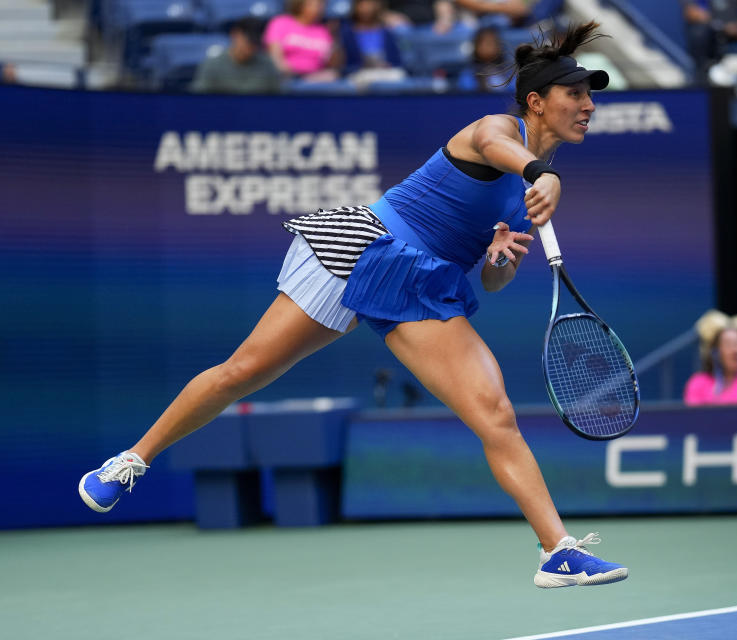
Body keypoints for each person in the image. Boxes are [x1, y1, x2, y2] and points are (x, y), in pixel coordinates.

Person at [78, 22, 628, 589]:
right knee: (243, 372)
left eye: (592, 96)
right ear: (536, 103)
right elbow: (500, 149)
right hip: (364, 249)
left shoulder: (529, 191)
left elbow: (493, 282)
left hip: (421, 285)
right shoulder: (496, 130)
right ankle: (130, 461)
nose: (589, 106)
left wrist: (498, 257)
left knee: (495, 413)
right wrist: (545, 173)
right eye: (577, 94)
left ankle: (556, 551)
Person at [190, 18, 283, 94]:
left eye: (255, 42)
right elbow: (199, 100)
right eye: (248, 40)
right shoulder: (213, 65)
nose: (251, 46)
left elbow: (278, 101)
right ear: (234, 34)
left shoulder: (267, 66)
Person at [680, 0, 737, 81]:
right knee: (698, 33)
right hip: (710, 32)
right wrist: (723, 26)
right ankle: (702, 77)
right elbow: (692, 12)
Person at [264, 0, 341, 81]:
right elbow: (275, 57)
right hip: (286, 76)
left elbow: (332, 64)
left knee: (332, 76)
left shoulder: (323, 31)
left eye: (321, 5)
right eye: (313, 4)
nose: (318, 8)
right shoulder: (280, 23)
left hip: (314, 77)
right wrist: (289, 72)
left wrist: (335, 39)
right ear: (300, 4)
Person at [339, 0, 407, 85]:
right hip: (359, 75)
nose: (366, 9)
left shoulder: (387, 32)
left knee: (399, 75)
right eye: (362, 5)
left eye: (369, 4)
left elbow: (396, 62)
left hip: (385, 74)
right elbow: (345, 65)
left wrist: (386, 66)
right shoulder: (347, 34)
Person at [458, 26, 513, 92]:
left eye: (490, 43)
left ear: (499, 46)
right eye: (482, 43)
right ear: (475, 46)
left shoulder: (510, 73)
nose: (486, 46)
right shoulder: (468, 74)